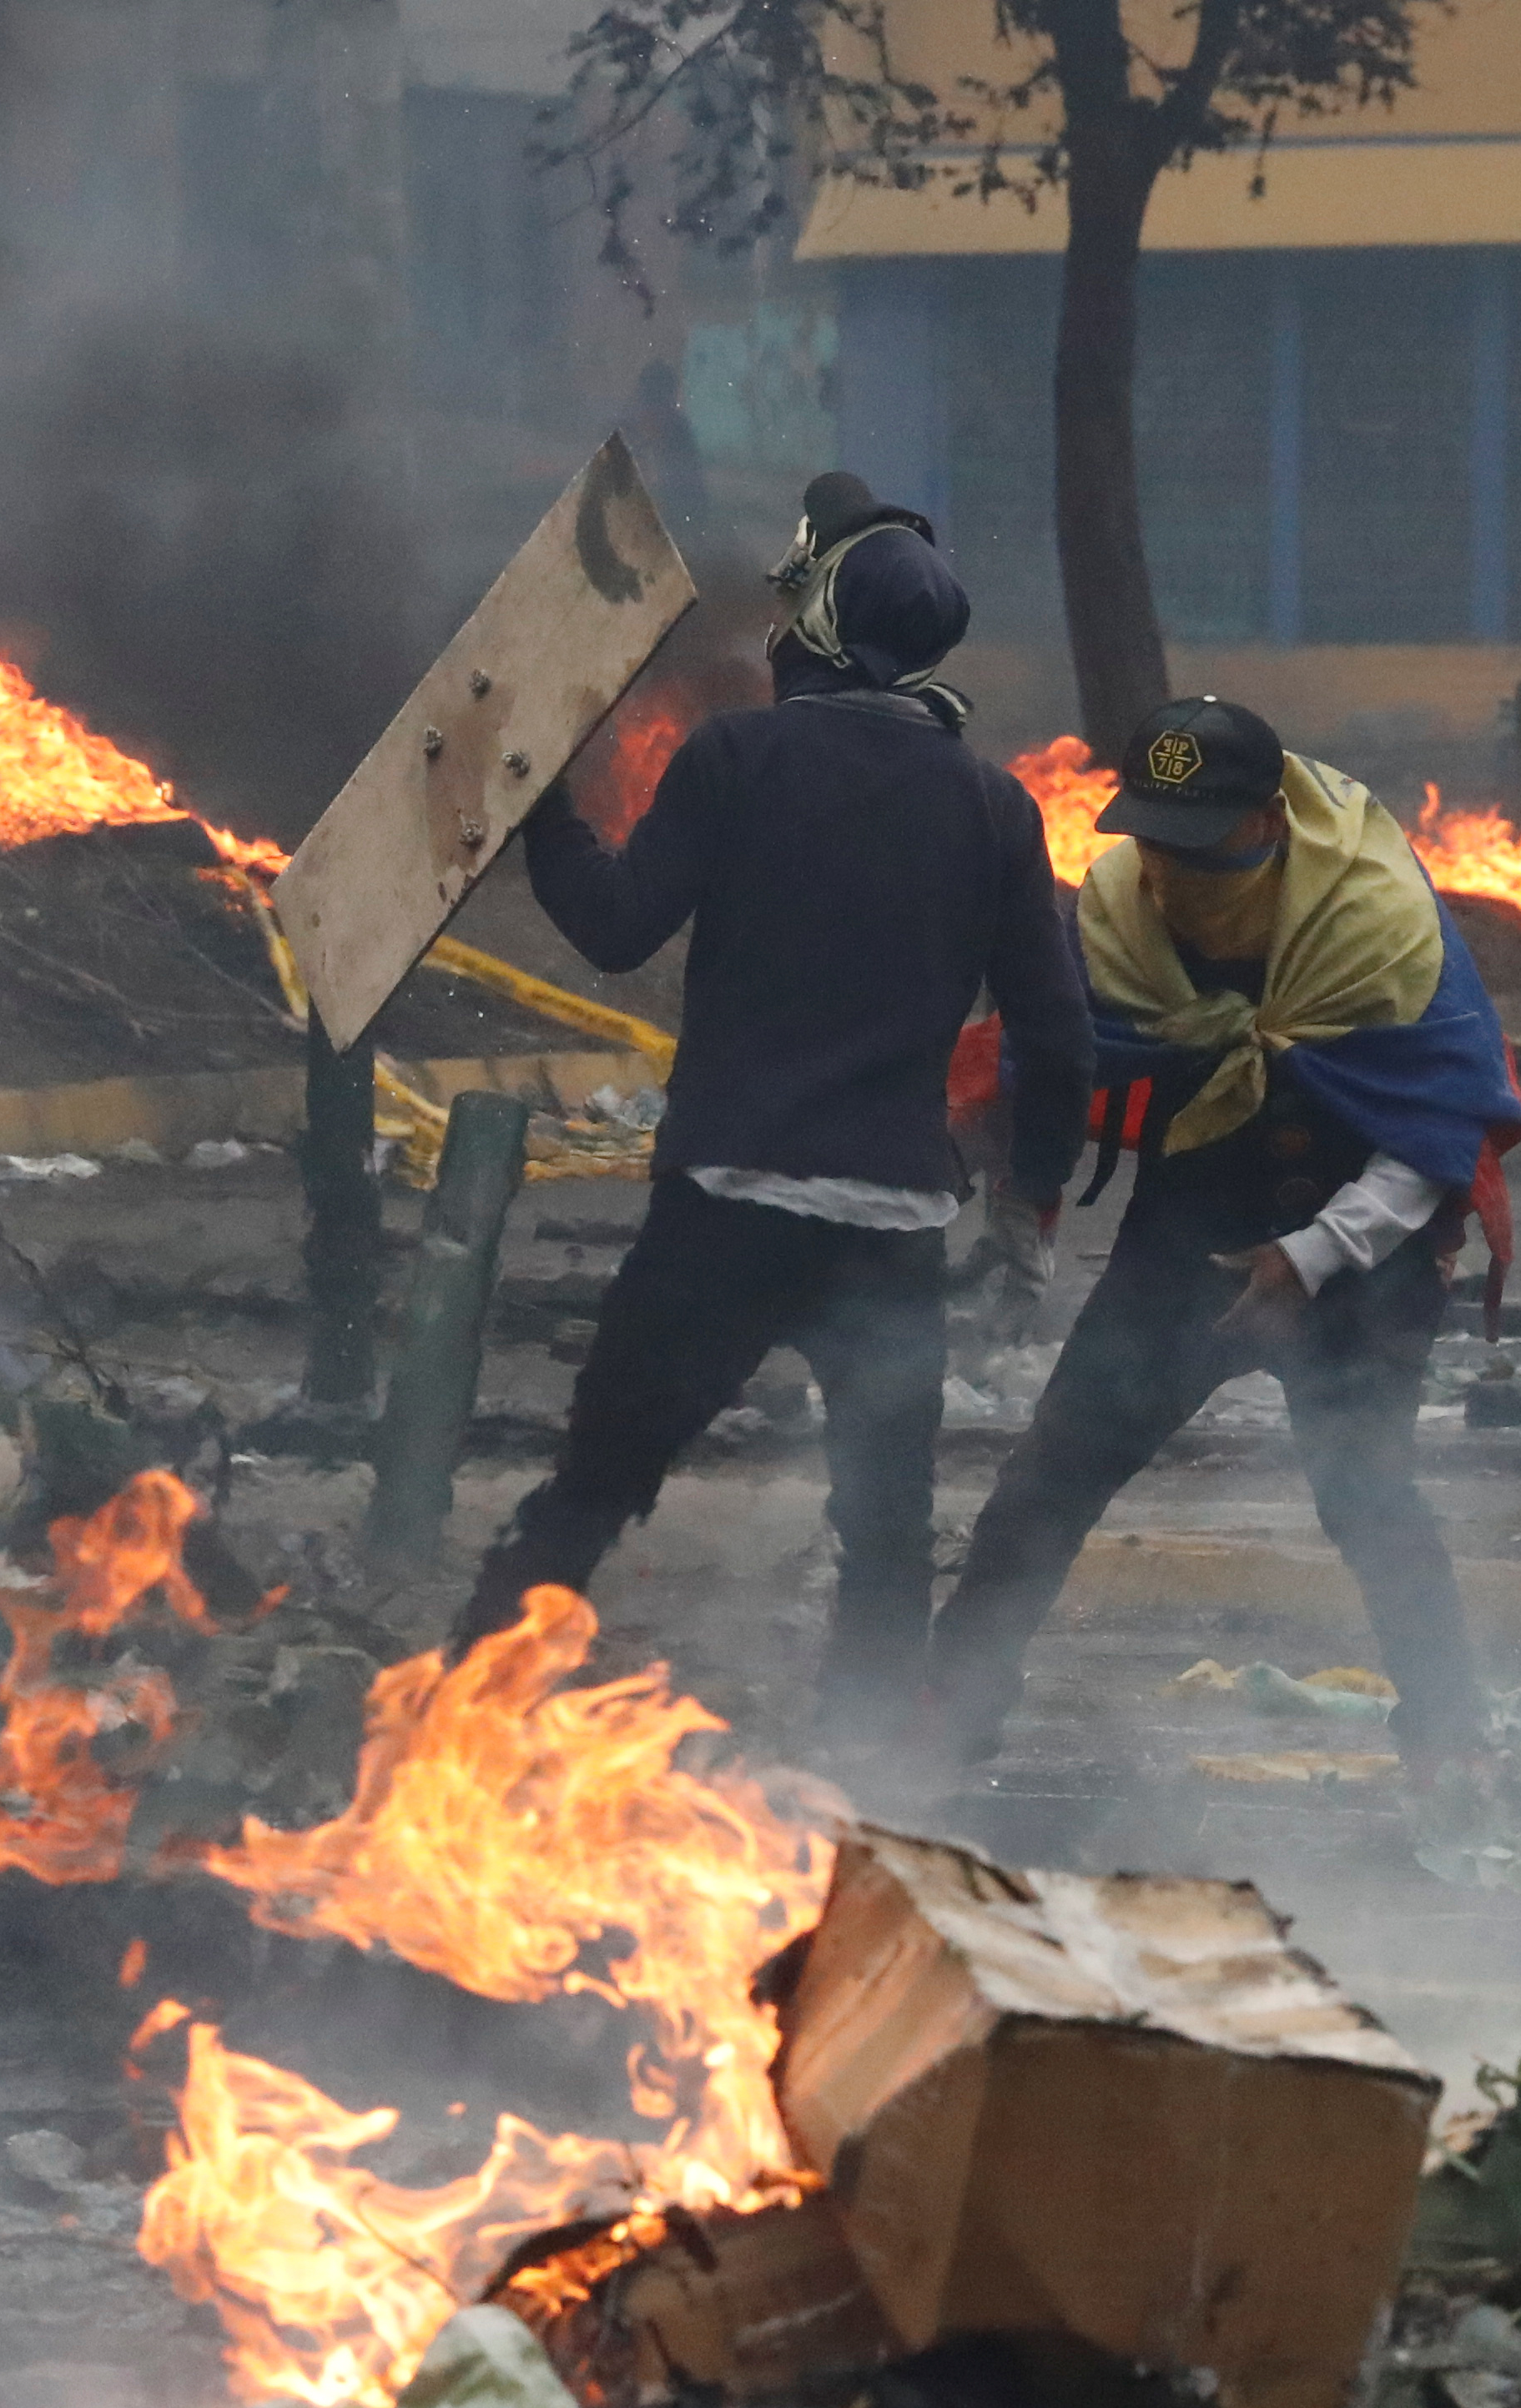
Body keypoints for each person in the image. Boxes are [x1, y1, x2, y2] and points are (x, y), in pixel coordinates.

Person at [449, 473, 1093, 1727]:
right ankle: (866, 1793)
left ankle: (458, 1722)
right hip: (891, 1229)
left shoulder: (737, 756)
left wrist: (548, 817)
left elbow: (620, 929)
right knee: (886, 1539)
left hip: (726, 1210)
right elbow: (1056, 1039)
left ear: (825, 636)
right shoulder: (994, 806)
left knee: (596, 1484)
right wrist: (1031, 1207)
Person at [927, 694, 1521, 1777]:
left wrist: (1313, 1256)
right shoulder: (1115, 915)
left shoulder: (1375, 917)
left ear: (1267, 825)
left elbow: (1438, 1128)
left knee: (1367, 1499)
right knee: (1051, 1474)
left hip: (1362, 1252)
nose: (1170, 879)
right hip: (1189, 1233)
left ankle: (1452, 1749)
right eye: (1154, 846)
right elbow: (1052, 1065)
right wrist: (1016, 1209)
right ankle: (944, 1725)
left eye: (1199, 849)